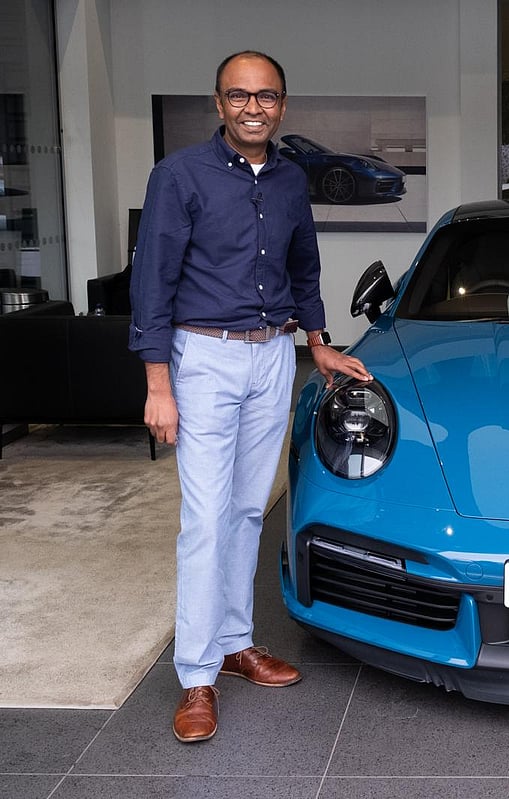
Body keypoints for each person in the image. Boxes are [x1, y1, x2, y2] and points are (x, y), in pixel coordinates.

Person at [128, 50, 372, 744]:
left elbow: (305, 265)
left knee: (245, 511)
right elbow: (153, 282)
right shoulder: (180, 176)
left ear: (283, 106)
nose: (253, 107)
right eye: (239, 96)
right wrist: (157, 385)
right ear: (218, 103)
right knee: (204, 520)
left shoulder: (292, 180)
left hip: (273, 355)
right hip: (202, 357)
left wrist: (318, 341)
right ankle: (197, 675)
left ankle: (237, 643)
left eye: (265, 97)